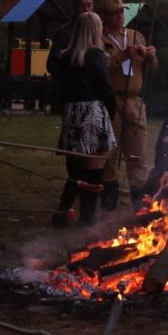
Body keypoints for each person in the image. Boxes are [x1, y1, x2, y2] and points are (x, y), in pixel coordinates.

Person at [52, 12, 117, 225]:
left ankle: (61, 215)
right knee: (94, 172)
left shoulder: (64, 57)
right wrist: (111, 114)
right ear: (95, 30)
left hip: (72, 112)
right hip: (92, 113)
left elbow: (59, 89)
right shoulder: (97, 55)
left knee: (76, 170)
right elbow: (106, 89)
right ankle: (87, 219)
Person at [97, 0, 158, 213]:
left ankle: (139, 207)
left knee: (138, 155)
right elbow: (101, 66)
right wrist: (124, 55)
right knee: (108, 155)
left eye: (121, 12)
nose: (120, 16)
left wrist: (150, 57)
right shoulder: (98, 38)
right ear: (104, 16)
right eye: (114, 13)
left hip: (135, 101)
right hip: (111, 101)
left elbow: (152, 69)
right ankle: (108, 207)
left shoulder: (136, 36)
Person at [47, 0, 95, 76]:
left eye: (89, 5)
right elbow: (52, 65)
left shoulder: (98, 31)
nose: (87, 10)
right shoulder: (64, 33)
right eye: (82, 6)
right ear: (75, 8)